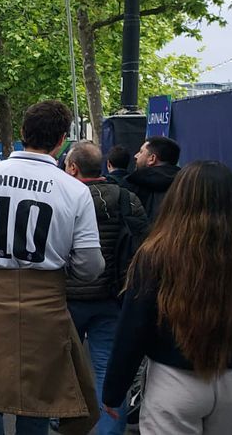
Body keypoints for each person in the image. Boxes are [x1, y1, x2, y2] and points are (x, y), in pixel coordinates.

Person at [0, 100, 104, 435]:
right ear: (62, 140)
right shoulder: (75, 190)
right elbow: (89, 266)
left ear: (21, 133)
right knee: (38, 400)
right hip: (45, 307)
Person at [104, 161, 232, 434]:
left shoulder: (156, 254)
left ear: (179, 198)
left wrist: (114, 391)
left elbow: (133, 329)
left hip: (173, 380)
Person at [63, 141, 149, 435]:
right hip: (113, 299)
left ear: (73, 167)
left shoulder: (64, 197)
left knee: (61, 366)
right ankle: (109, 429)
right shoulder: (128, 199)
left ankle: (66, 419)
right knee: (107, 369)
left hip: (67, 298)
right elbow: (144, 245)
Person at [126, 137, 181, 223]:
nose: (135, 156)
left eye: (141, 152)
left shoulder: (132, 185)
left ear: (152, 158)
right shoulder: (185, 186)